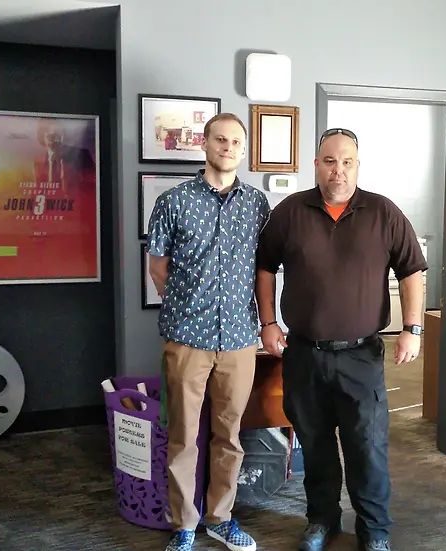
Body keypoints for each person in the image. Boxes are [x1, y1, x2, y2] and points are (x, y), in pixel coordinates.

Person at [255, 128, 427, 551]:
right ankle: (322, 520)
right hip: (304, 355)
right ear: (316, 165)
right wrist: (268, 323)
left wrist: (412, 328)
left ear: (358, 165)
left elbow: (411, 270)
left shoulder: (383, 212)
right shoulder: (290, 212)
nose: (339, 170)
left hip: (360, 357)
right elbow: (264, 267)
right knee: (315, 446)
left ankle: (375, 530)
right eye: (330, 161)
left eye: (347, 161)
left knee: (367, 447)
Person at [147, 112, 271, 551]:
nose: (228, 147)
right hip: (187, 338)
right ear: (204, 143)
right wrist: (188, 307)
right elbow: (158, 267)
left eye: (236, 141)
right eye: (220, 139)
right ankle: (184, 526)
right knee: (183, 436)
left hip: (239, 340)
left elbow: (264, 269)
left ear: (243, 148)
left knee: (230, 436)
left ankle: (220, 519)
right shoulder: (173, 201)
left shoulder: (258, 205)